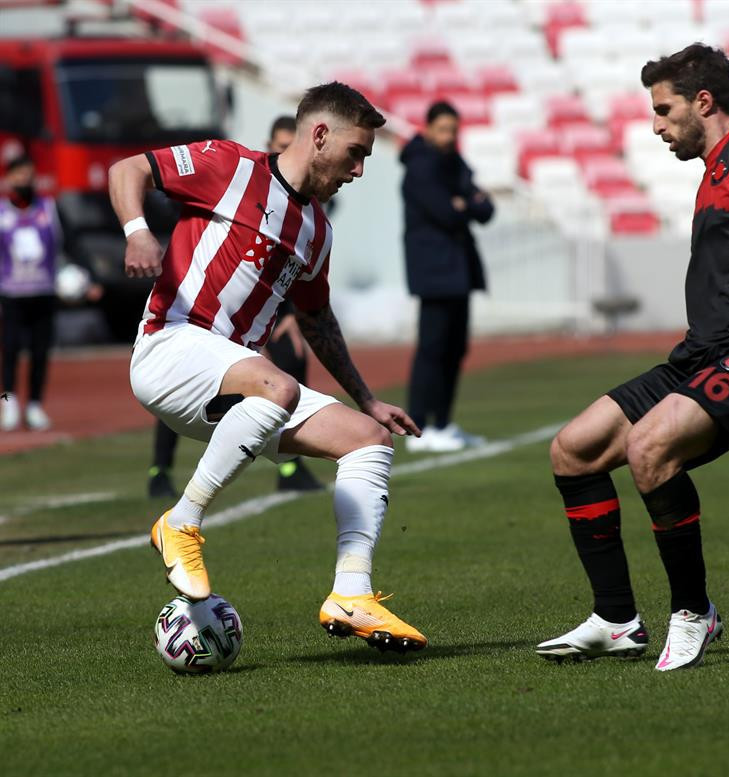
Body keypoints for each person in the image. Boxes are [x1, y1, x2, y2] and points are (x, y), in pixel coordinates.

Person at [536, 44, 729, 671]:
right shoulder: (711, 173)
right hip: (699, 356)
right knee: (573, 450)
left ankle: (692, 611)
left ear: (702, 102)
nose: (655, 126)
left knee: (649, 448)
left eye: (663, 110)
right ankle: (617, 620)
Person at [109, 82, 427, 653]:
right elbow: (128, 169)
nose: (358, 171)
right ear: (320, 135)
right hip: (171, 348)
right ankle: (180, 523)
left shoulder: (317, 231)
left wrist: (367, 399)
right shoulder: (230, 166)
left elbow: (318, 321)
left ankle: (351, 593)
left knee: (369, 441)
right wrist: (138, 232)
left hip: (239, 389)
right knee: (275, 382)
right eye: (355, 153)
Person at [147, 115, 323, 498]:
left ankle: (290, 467)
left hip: (264, 313)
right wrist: (136, 231)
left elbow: (282, 269)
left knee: (293, 367)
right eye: (277, 143)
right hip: (196, 311)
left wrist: (286, 317)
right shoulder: (236, 174)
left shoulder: (313, 212)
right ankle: (160, 469)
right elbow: (136, 171)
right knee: (184, 380)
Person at [400, 101, 494, 453]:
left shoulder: (454, 163)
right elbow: (445, 212)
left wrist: (465, 203)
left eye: (453, 130)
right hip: (433, 270)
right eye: (442, 130)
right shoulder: (420, 167)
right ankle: (420, 426)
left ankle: (443, 423)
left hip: (458, 270)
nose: (448, 137)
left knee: (455, 349)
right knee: (432, 349)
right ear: (427, 129)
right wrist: (465, 203)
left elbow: (486, 209)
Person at [0, 155, 59, 431]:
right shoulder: (2, 212)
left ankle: (35, 404)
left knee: (40, 352)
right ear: (9, 177)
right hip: (10, 297)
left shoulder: (49, 208)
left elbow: (68, 241)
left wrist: (88, 276)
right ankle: (8, 402)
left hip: (44, 294)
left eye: (29, 174)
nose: (24, 179)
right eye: (19, 174)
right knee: (9, 351)